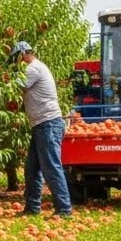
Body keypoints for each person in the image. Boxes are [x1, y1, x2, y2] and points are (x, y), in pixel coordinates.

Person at [11, 41, 73, 217]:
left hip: (48, 124)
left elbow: (16, 86)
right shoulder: (34, 68)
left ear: (22, 54)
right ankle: (32, 207)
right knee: (32, 168)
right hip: (41, 125)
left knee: (51, 167)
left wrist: (0, 81)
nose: (17, 63)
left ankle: (64, 209)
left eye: (17, 58)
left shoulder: (33, 68)